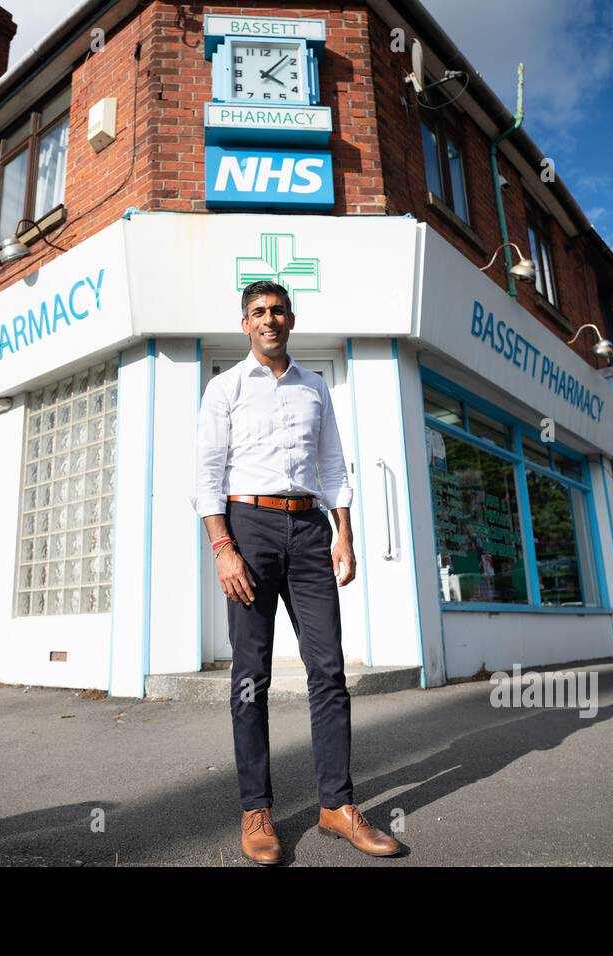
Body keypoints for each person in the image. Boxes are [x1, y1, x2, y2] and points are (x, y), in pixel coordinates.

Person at [192, 279, 401, 864]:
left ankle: (336, 806)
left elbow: (332, 464)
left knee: (328, 670)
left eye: (278, 310)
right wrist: (223, 547)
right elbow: (206, 474)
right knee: (250, 674)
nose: (269, 319)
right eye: (258, 312)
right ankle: (256, 808)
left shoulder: (315, 388)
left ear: (291, 318)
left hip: (310, 530)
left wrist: (345, 534)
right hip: (248, 528)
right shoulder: (224, 388)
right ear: (245, 324)